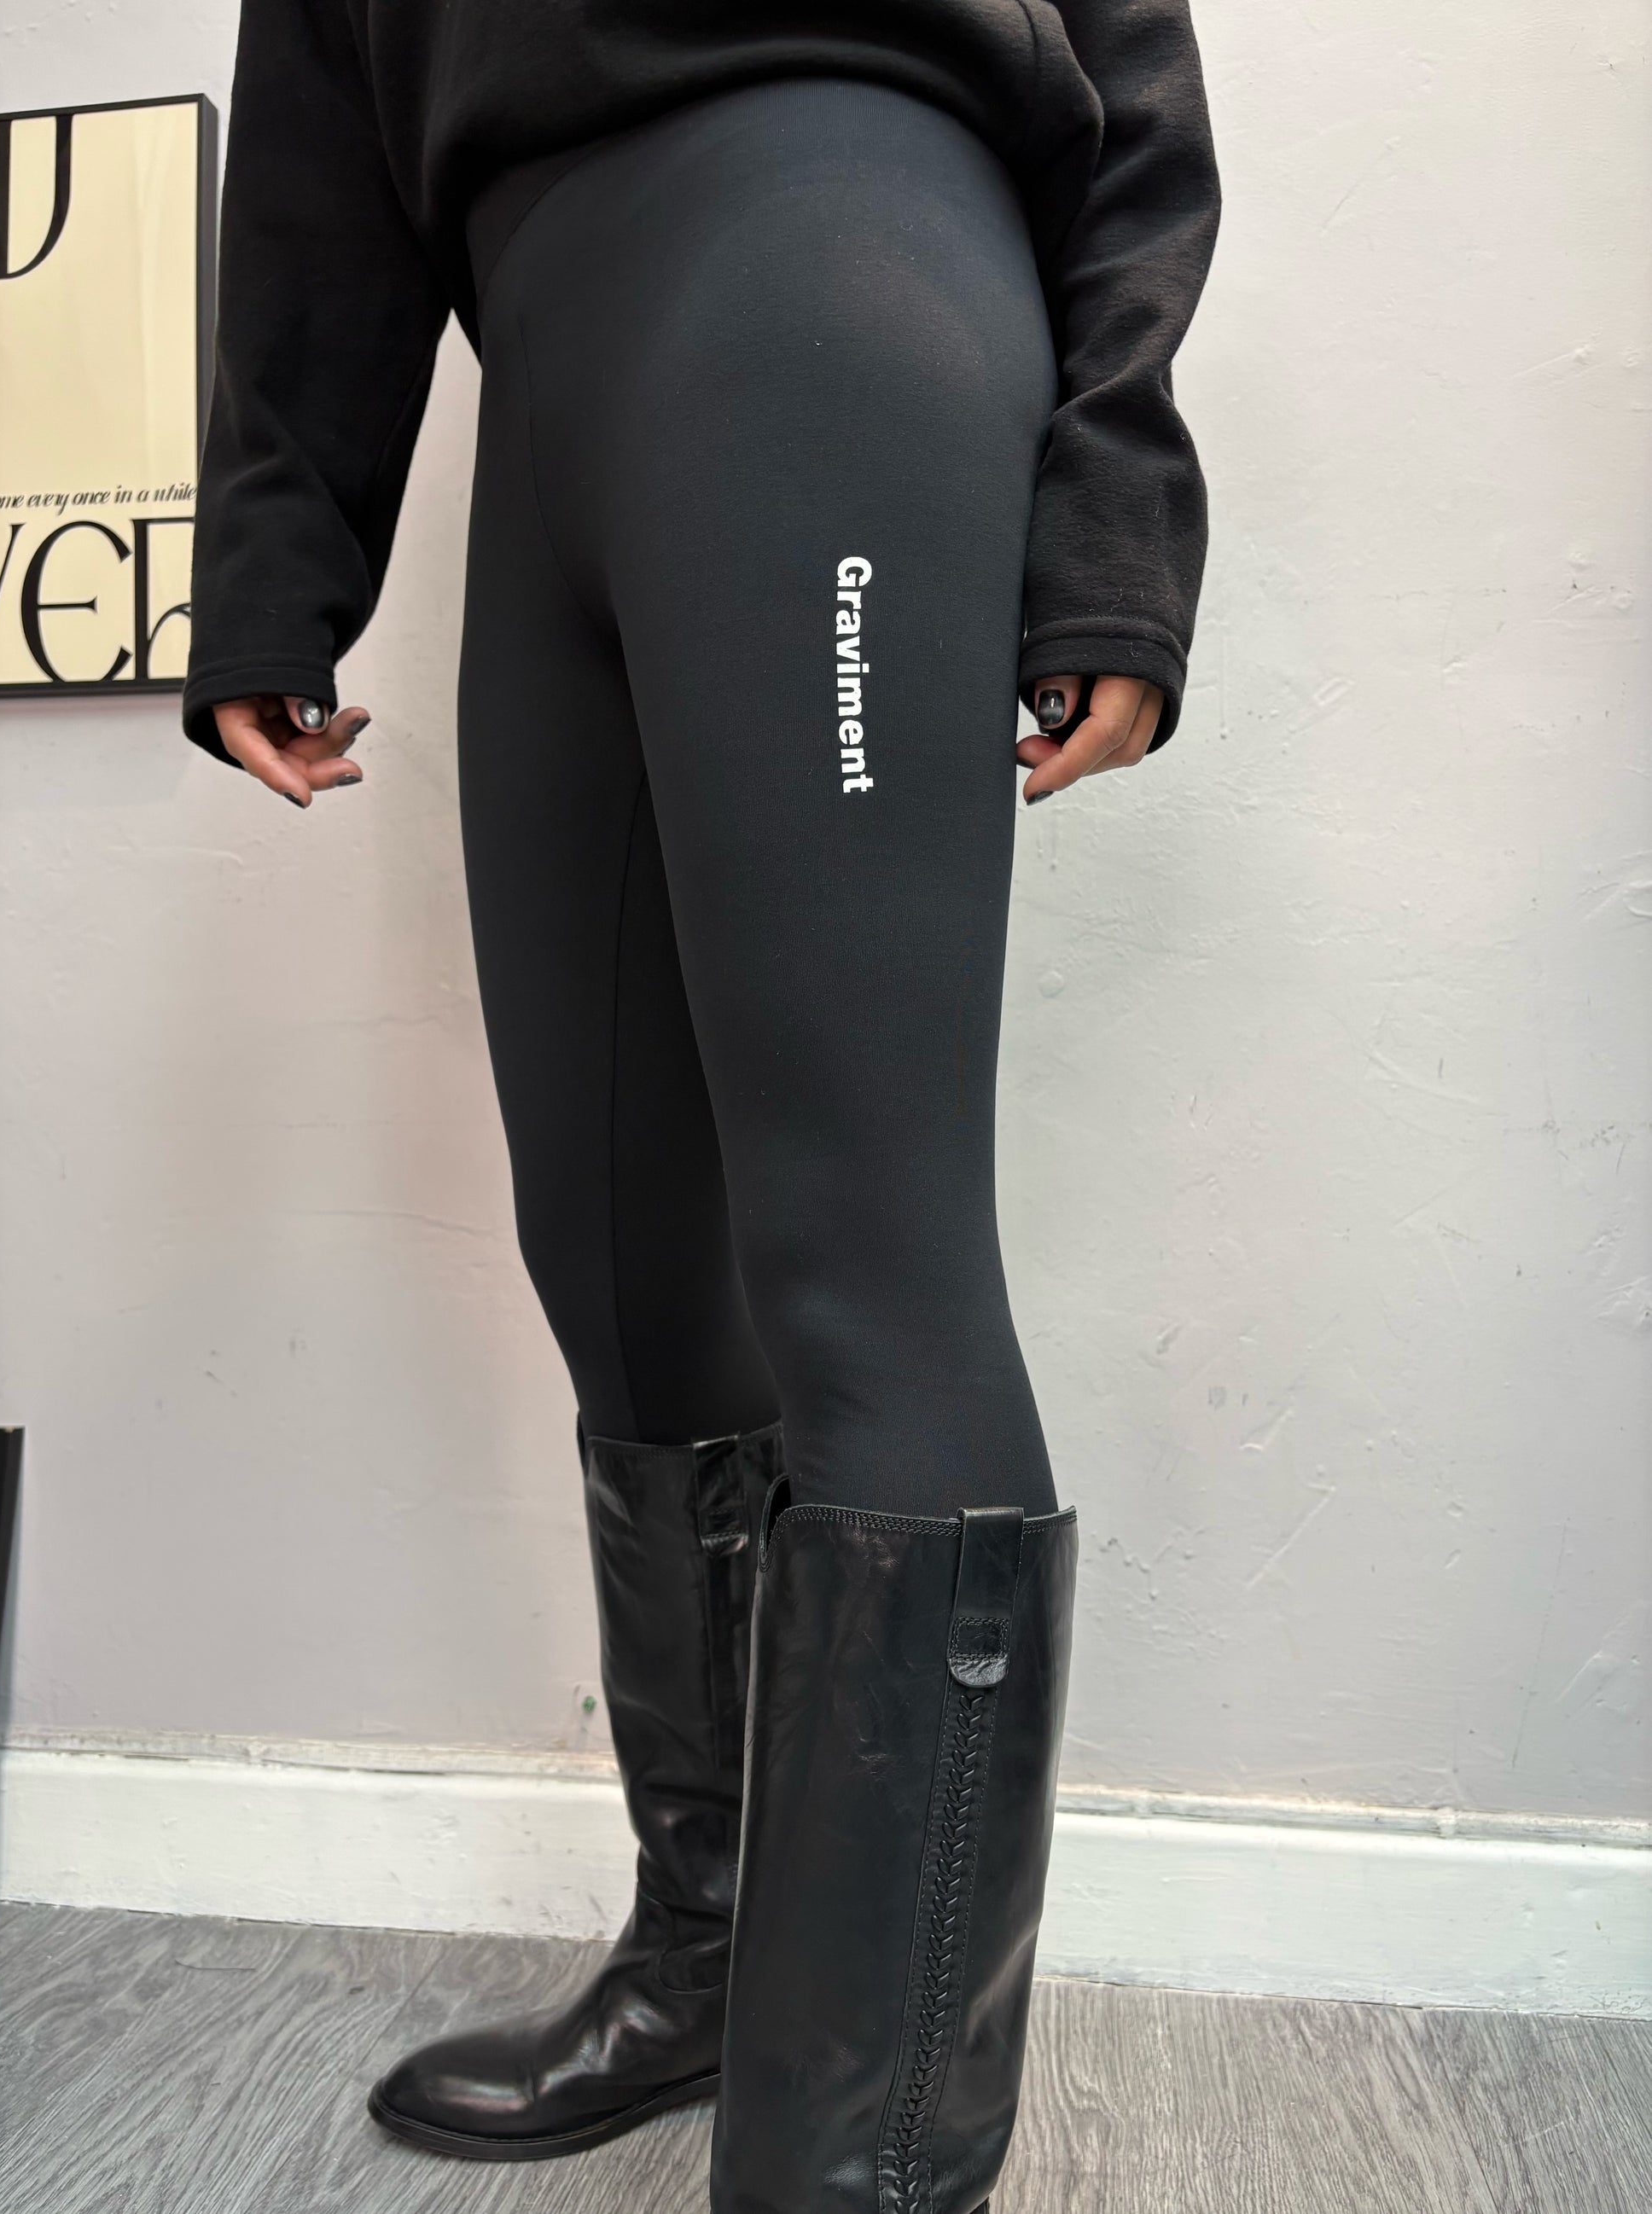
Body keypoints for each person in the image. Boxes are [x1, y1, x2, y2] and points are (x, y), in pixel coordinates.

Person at [182, 4, 1219, 2205]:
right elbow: (318, 105)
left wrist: (1115, 494)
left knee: (866, 1264)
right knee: (621, 1264)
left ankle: (863, 2168)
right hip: (545, 359)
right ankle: (713, 1962)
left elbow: (1124, 48)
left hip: (828, 263)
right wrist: (280, 541)